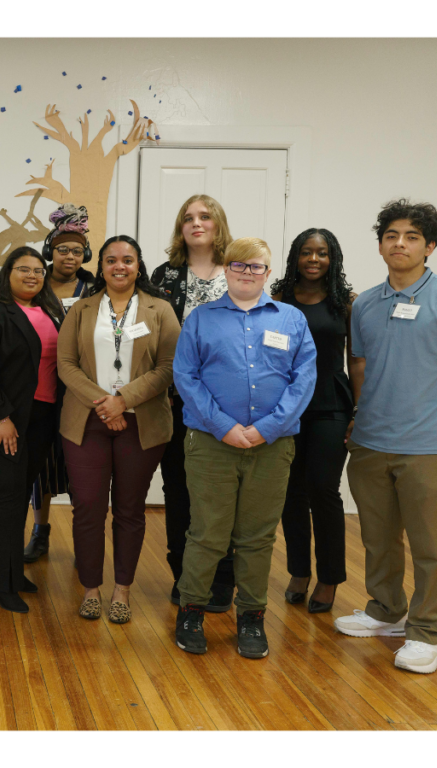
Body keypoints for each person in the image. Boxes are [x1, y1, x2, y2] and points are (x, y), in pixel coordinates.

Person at [336, 200, 437, 675]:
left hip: (430, 444)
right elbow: (361, 367)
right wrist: (358, 415)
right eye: (391, 235)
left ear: (430, 246)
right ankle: (387, 610)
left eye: (412, 237)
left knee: (431, 545)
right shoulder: (365, 303)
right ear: (380, 243)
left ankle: (429, 633)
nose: (400, 243)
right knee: (378, 537)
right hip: (370, 440)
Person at [172, 237, 316, 659]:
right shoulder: (201, 319)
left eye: (256, 267)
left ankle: (251, 618)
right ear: (226, 270)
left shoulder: (291, 320)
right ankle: (191, 611)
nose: (247, 273)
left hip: (272, 448)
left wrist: (267, 429)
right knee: (207, 534)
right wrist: (225, 427)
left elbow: (303, 380)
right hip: (211, 445)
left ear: (268, 273)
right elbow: (186, 377)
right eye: (239, 266)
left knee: (257, 538)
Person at [57, 235, 179, 623]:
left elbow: (169, 366)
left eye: (127, 260)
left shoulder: (161, 309)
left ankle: (122, 589)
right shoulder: (82, 308)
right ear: (101, 267)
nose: (119, 266)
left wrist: (123, 401)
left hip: (141, 424)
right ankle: (91, 588)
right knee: (88, 507)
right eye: (111, 260)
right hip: (86, 423)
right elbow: (66, 364)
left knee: (129, 510)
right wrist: (105, 404)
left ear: (139, 265)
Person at [0, 246, 64, 614]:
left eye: (39, 270)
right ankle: (0, 585)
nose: (33, 276)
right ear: (8, 273)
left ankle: (7, 570)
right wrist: (0, 417)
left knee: (19, 496)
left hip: (41, 417)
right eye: (24, 269)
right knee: (6, 498)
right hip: (4, 420)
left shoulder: (50, 311)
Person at [150, 194, 236, 610]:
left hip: (228, 404)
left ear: (218, 224)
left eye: (205, 217)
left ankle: (223, 576)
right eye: (188, 218)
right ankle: (184, 574)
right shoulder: (165, 274)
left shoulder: (238, 271)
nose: (196, 224)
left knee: (222, 494)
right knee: (179, 489)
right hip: (174, 401)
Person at [271, 229, 360, 613]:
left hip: (330, 405)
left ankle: (329, 579)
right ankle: (298, 572)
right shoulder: (277, 301)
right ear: (295, 257)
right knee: (291, 493)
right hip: (288, 407)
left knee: (323, 490)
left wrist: (360, 410)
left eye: (321, 253)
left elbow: (357, 361)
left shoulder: (347, 304)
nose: (313, 259)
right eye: (306, 252)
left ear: (332, 258)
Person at [25, 204, 97, 564]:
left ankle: (84, 535)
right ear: (50, 250)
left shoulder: (95, 286)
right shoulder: (36, 284)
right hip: (43, 385)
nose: (69, 255)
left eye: (76, 249)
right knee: (42, 462)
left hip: (85, 387)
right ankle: (40, 531)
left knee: (82, 462)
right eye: (62, 249)